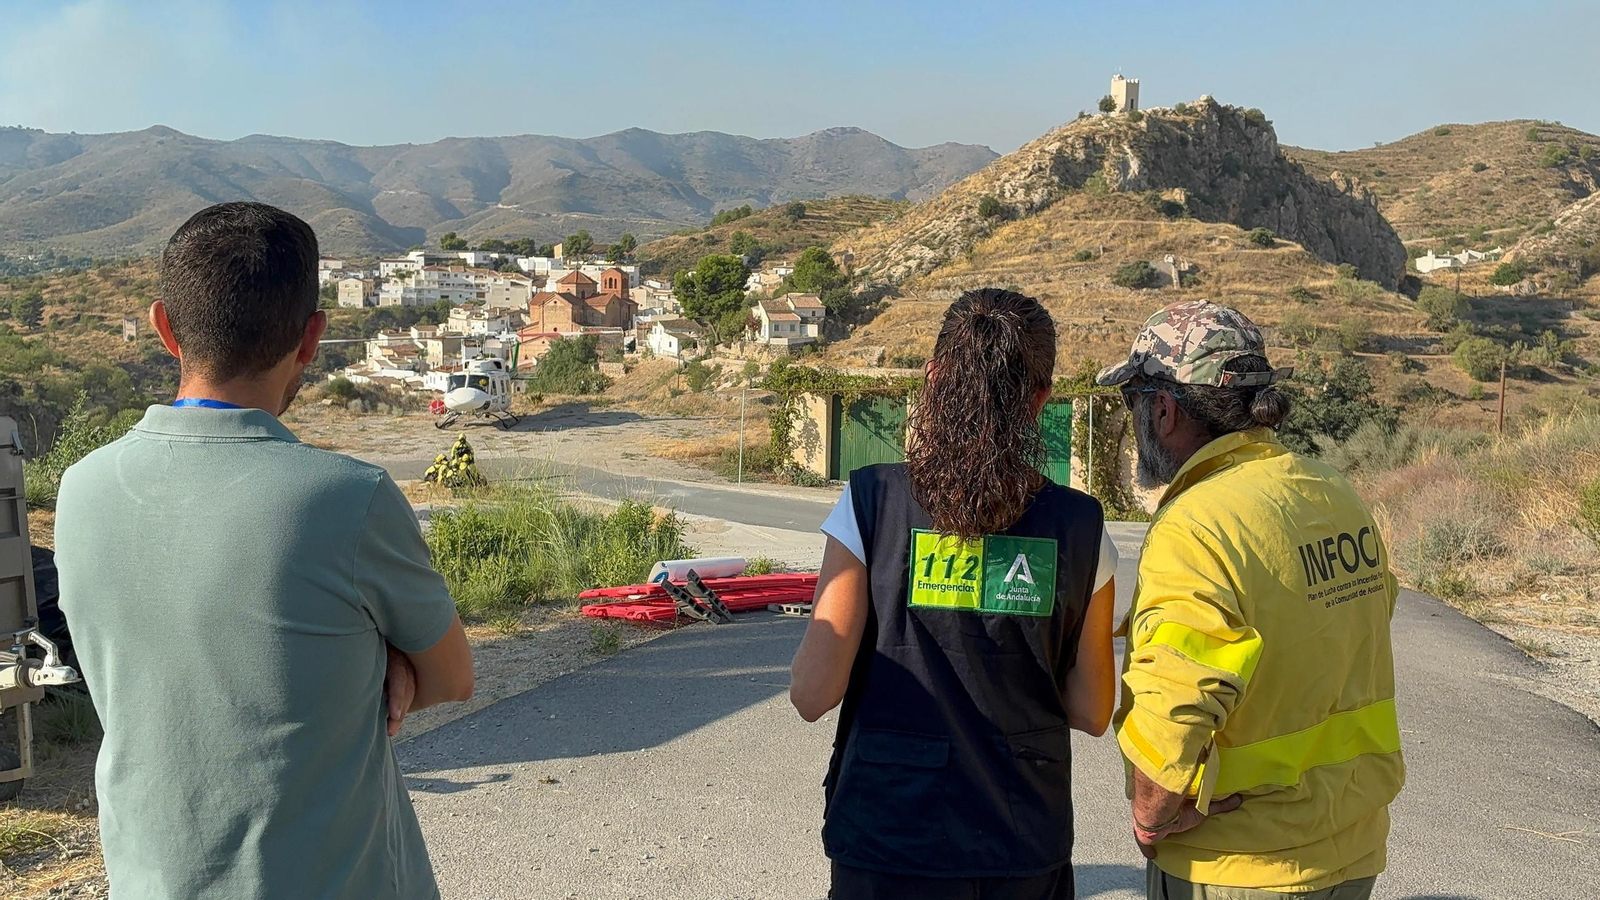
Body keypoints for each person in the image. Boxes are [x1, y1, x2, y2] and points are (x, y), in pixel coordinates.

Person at [55, 202, 474, 900]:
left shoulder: (81, 489)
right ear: (311, 338)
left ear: (165, 327)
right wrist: (389, 660)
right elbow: (453, 677)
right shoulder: (349, 498)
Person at [790, 288, 1120, 900]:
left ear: (934, 377)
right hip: (1021, 844)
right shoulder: (1082, 528)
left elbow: (813, 695)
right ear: (1041, 400)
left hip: (889, 840)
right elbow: (1093, 711)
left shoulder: (871, 502)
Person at [1096, 300, 1404, 900]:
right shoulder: (1332, 491)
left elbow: (1178, 700)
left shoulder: (1198, 523)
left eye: (1135, 403)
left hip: (1240, 864)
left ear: (1162, 408)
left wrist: (1151, 816)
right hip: (1351, 846)